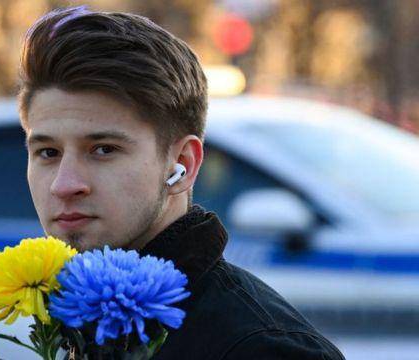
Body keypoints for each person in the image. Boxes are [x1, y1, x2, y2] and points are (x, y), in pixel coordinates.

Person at [18, 5, 345, 359]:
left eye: (103, 149)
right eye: (48, 152)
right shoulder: (81, 319)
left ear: (183, 164)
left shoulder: (260, 349)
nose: (64, 185)